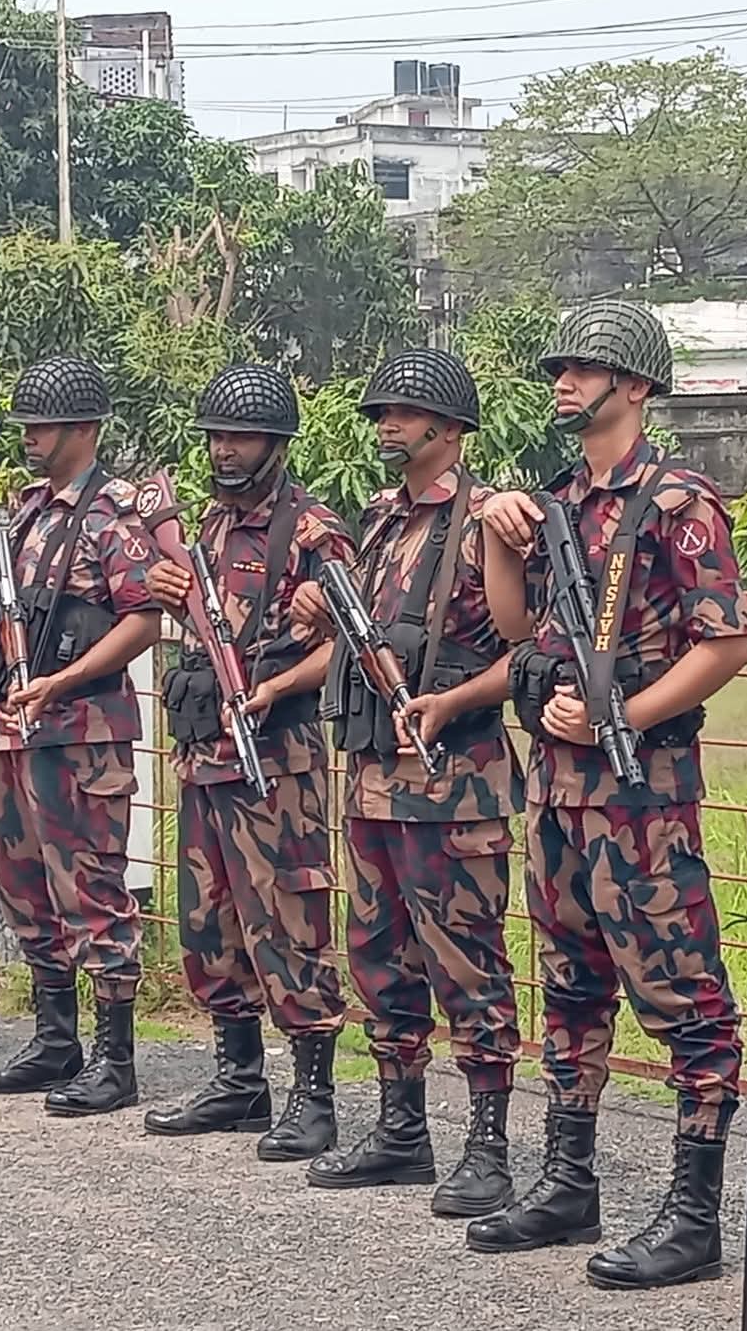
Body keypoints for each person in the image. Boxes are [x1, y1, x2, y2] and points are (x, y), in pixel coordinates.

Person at [470, 300, 747, 1291]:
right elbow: (517, 630)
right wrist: (495, 536)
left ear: (634, 387)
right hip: (556, 791)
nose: (563, 382)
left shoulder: (677, 502)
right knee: (570, 986)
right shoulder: (554, 503)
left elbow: (727, 642)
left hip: (641, 795)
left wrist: (619, 716)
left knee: (684, 997)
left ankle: (694, 1216)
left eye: (584, 370)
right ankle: (567, 1179)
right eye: (560, 369)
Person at [292, 348, 522, 1216]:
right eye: (381, 413)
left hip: (453, 786)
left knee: (467, 964)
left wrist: (450, 701)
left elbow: (526, 650)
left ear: (450, 428)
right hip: (374, 781)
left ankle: (489, 1148)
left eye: (405, 413)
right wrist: (320, 611)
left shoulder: (488, 521)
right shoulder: (382, 521)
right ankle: (401, 1130)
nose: (387, 425)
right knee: (379, 957)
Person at [141, 364, 354, 1162]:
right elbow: (202, 622)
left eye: (241, 438)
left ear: (276, 444)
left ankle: (314, 1096)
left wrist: (275, 687)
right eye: (217, 438)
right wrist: (167, 588)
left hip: (279, 760)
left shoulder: (313, 532)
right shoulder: (207, 527)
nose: (224, 450)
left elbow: (346, 646)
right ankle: (238, 1078)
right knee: (209, 925)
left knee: (288, 924)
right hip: (206, 756)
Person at [0, 354, 162, 1115]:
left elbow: (143, 619)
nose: (30, 438)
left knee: (92, 889)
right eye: (28, 426)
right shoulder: (28, 512)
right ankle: (55, 1040)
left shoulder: (112, 514)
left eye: (44, 427)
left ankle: (115, 1059)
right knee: (25, 886)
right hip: (15, 729)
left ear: (84, 429)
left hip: (80, 733)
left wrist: (65, 681)